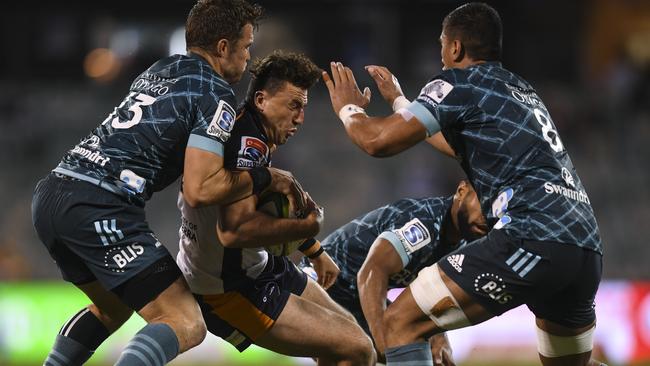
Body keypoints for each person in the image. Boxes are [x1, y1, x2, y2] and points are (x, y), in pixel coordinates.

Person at [322, 2, 603, 366]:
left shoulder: (458, 82)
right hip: (584, 246)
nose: (441, 58)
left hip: (532, 234)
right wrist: (398, 101)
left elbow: (378, 142)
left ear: (455, 48)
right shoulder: (519, 89)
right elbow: (457, 145)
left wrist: (349, 109)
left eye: (442, 46)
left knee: (400, 325)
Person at [30, 1, 309, 365]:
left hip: (54, 192)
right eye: (246, 47)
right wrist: (266, 175)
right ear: (223, 48)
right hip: (99, 204)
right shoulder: (216, 93)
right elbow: (200, 188)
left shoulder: (161, 68)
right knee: (184, 321)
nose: (247, 58)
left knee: (112, 308)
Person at [176, 50, 376, 365]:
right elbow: (234, 231)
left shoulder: (249, 131)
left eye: (304, 107)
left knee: (348, 335)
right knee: (358, 348)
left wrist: (314, 251)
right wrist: (309, 227)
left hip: (257, 267)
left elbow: (268, 209)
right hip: (228, 289)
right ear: (261, 101)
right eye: (293, 105)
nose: (300, 118)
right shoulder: (248, 145)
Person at [301, 180, 486, 365]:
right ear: (461, 191)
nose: (489, 216)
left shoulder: (461, 242)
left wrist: (437, 334)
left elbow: (428, 290)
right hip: (321, 283)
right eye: (483, 203)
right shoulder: (422, 222)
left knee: (414, 349)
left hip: (354, 296)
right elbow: (371, 272)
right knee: (360, 352)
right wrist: (385, 345)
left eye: (495, 209)